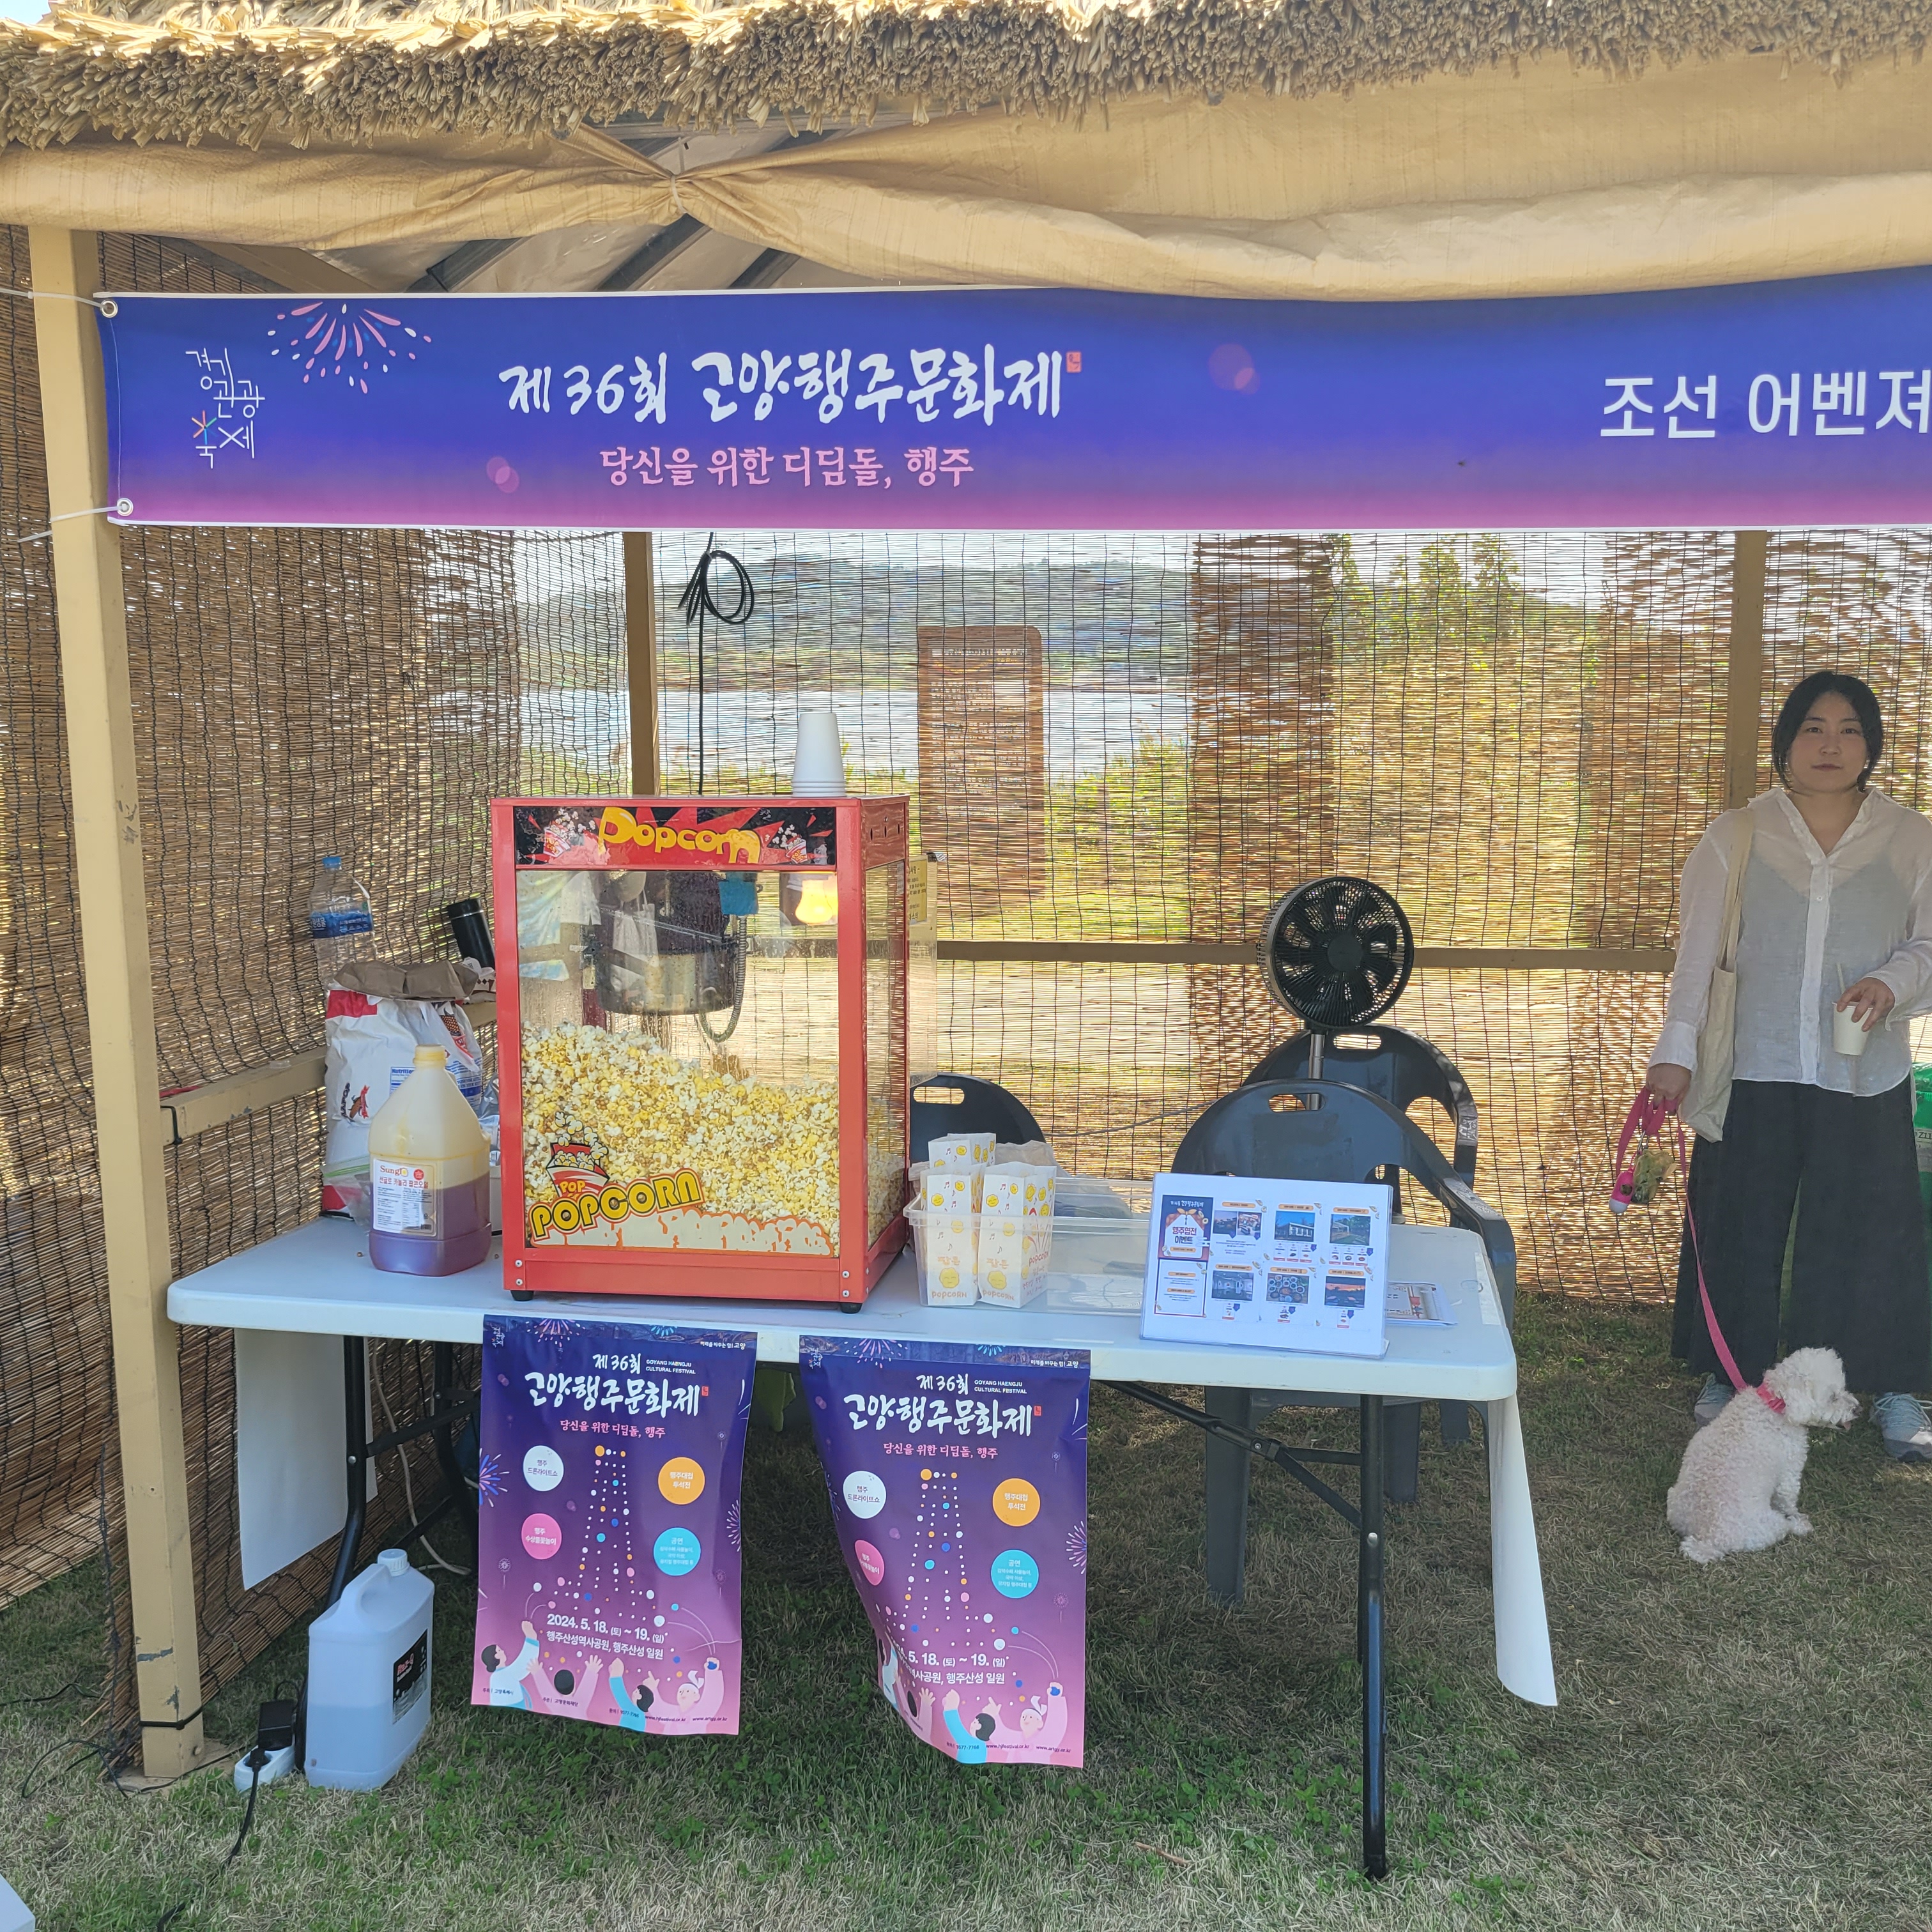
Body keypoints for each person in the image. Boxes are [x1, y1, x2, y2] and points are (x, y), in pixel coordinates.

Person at [1643, 671, 1932, 1459]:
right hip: (1755, 1062)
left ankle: (1891, 1387)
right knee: (1742, 1218)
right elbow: (1697, 956)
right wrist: (1675, 1054)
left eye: (1849, 729)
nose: (1830, 745)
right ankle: (1729, 1373)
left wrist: (1893, 981)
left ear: (1871, 746)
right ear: (1786, 743)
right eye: (1813, 727)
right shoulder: (1736, 836)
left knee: (1874, 1228)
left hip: (1864, 1068)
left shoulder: (1911, 838)